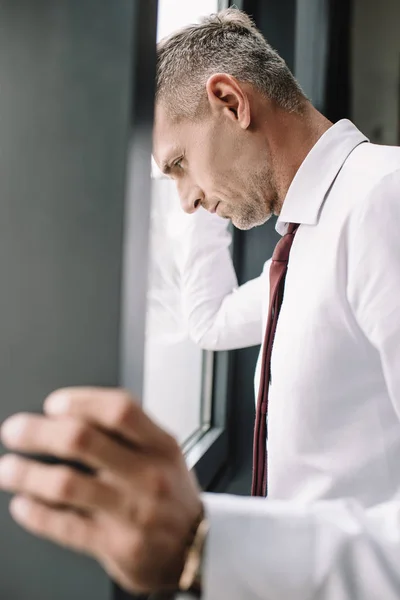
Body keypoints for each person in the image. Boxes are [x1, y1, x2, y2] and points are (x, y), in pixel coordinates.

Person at [1, 7, 400, 599]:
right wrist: (208, 193)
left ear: (232, 103)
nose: (184, 201)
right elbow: (208, 319)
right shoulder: (307, 241)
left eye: (179, 165)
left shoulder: (382, 202)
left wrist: (206, 543)